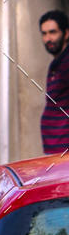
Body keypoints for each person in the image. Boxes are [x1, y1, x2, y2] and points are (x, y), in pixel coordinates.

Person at [40, 9, 69, 154]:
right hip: (56, 151)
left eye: (53, 32)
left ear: (66, 33)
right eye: (44, 34)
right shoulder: (57, 63)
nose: (48, 38)